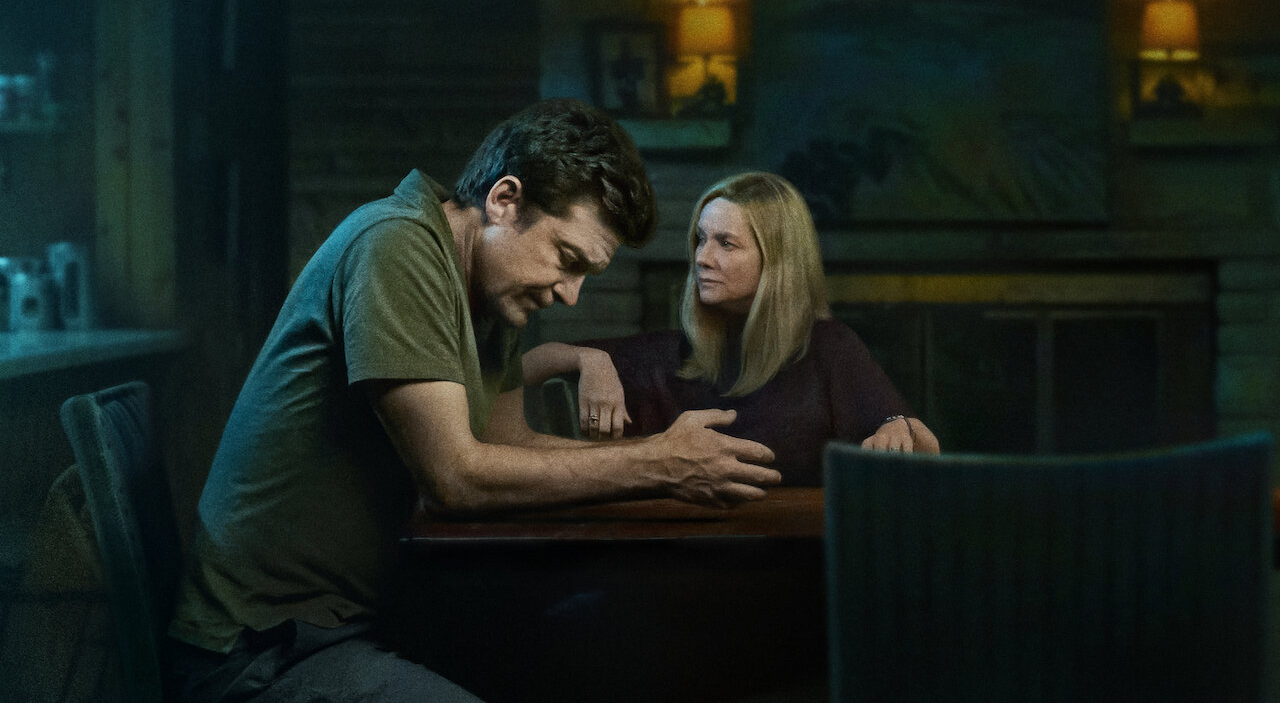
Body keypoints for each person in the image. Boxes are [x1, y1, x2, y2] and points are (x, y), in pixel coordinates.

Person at [166, 99, 779, 703]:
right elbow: (456, 478)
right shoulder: (397, 245)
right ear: (504, 200)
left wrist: (666, 457)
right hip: (262, 648)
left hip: (364, 618)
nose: (570, 295)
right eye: (567, 260)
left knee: (618, 649)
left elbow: (505, 445)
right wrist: (659, 465)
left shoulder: (487, 291)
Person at [523, 171, 939, 486]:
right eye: (700, 239)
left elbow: (919, 446)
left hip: (796, 555)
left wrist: (899, 429)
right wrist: (588, 359)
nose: (702, 258)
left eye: (726, 243)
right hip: (681, 556)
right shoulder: (671, 354)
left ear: (777, 260)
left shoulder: (828, 346)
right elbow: (521, 366)